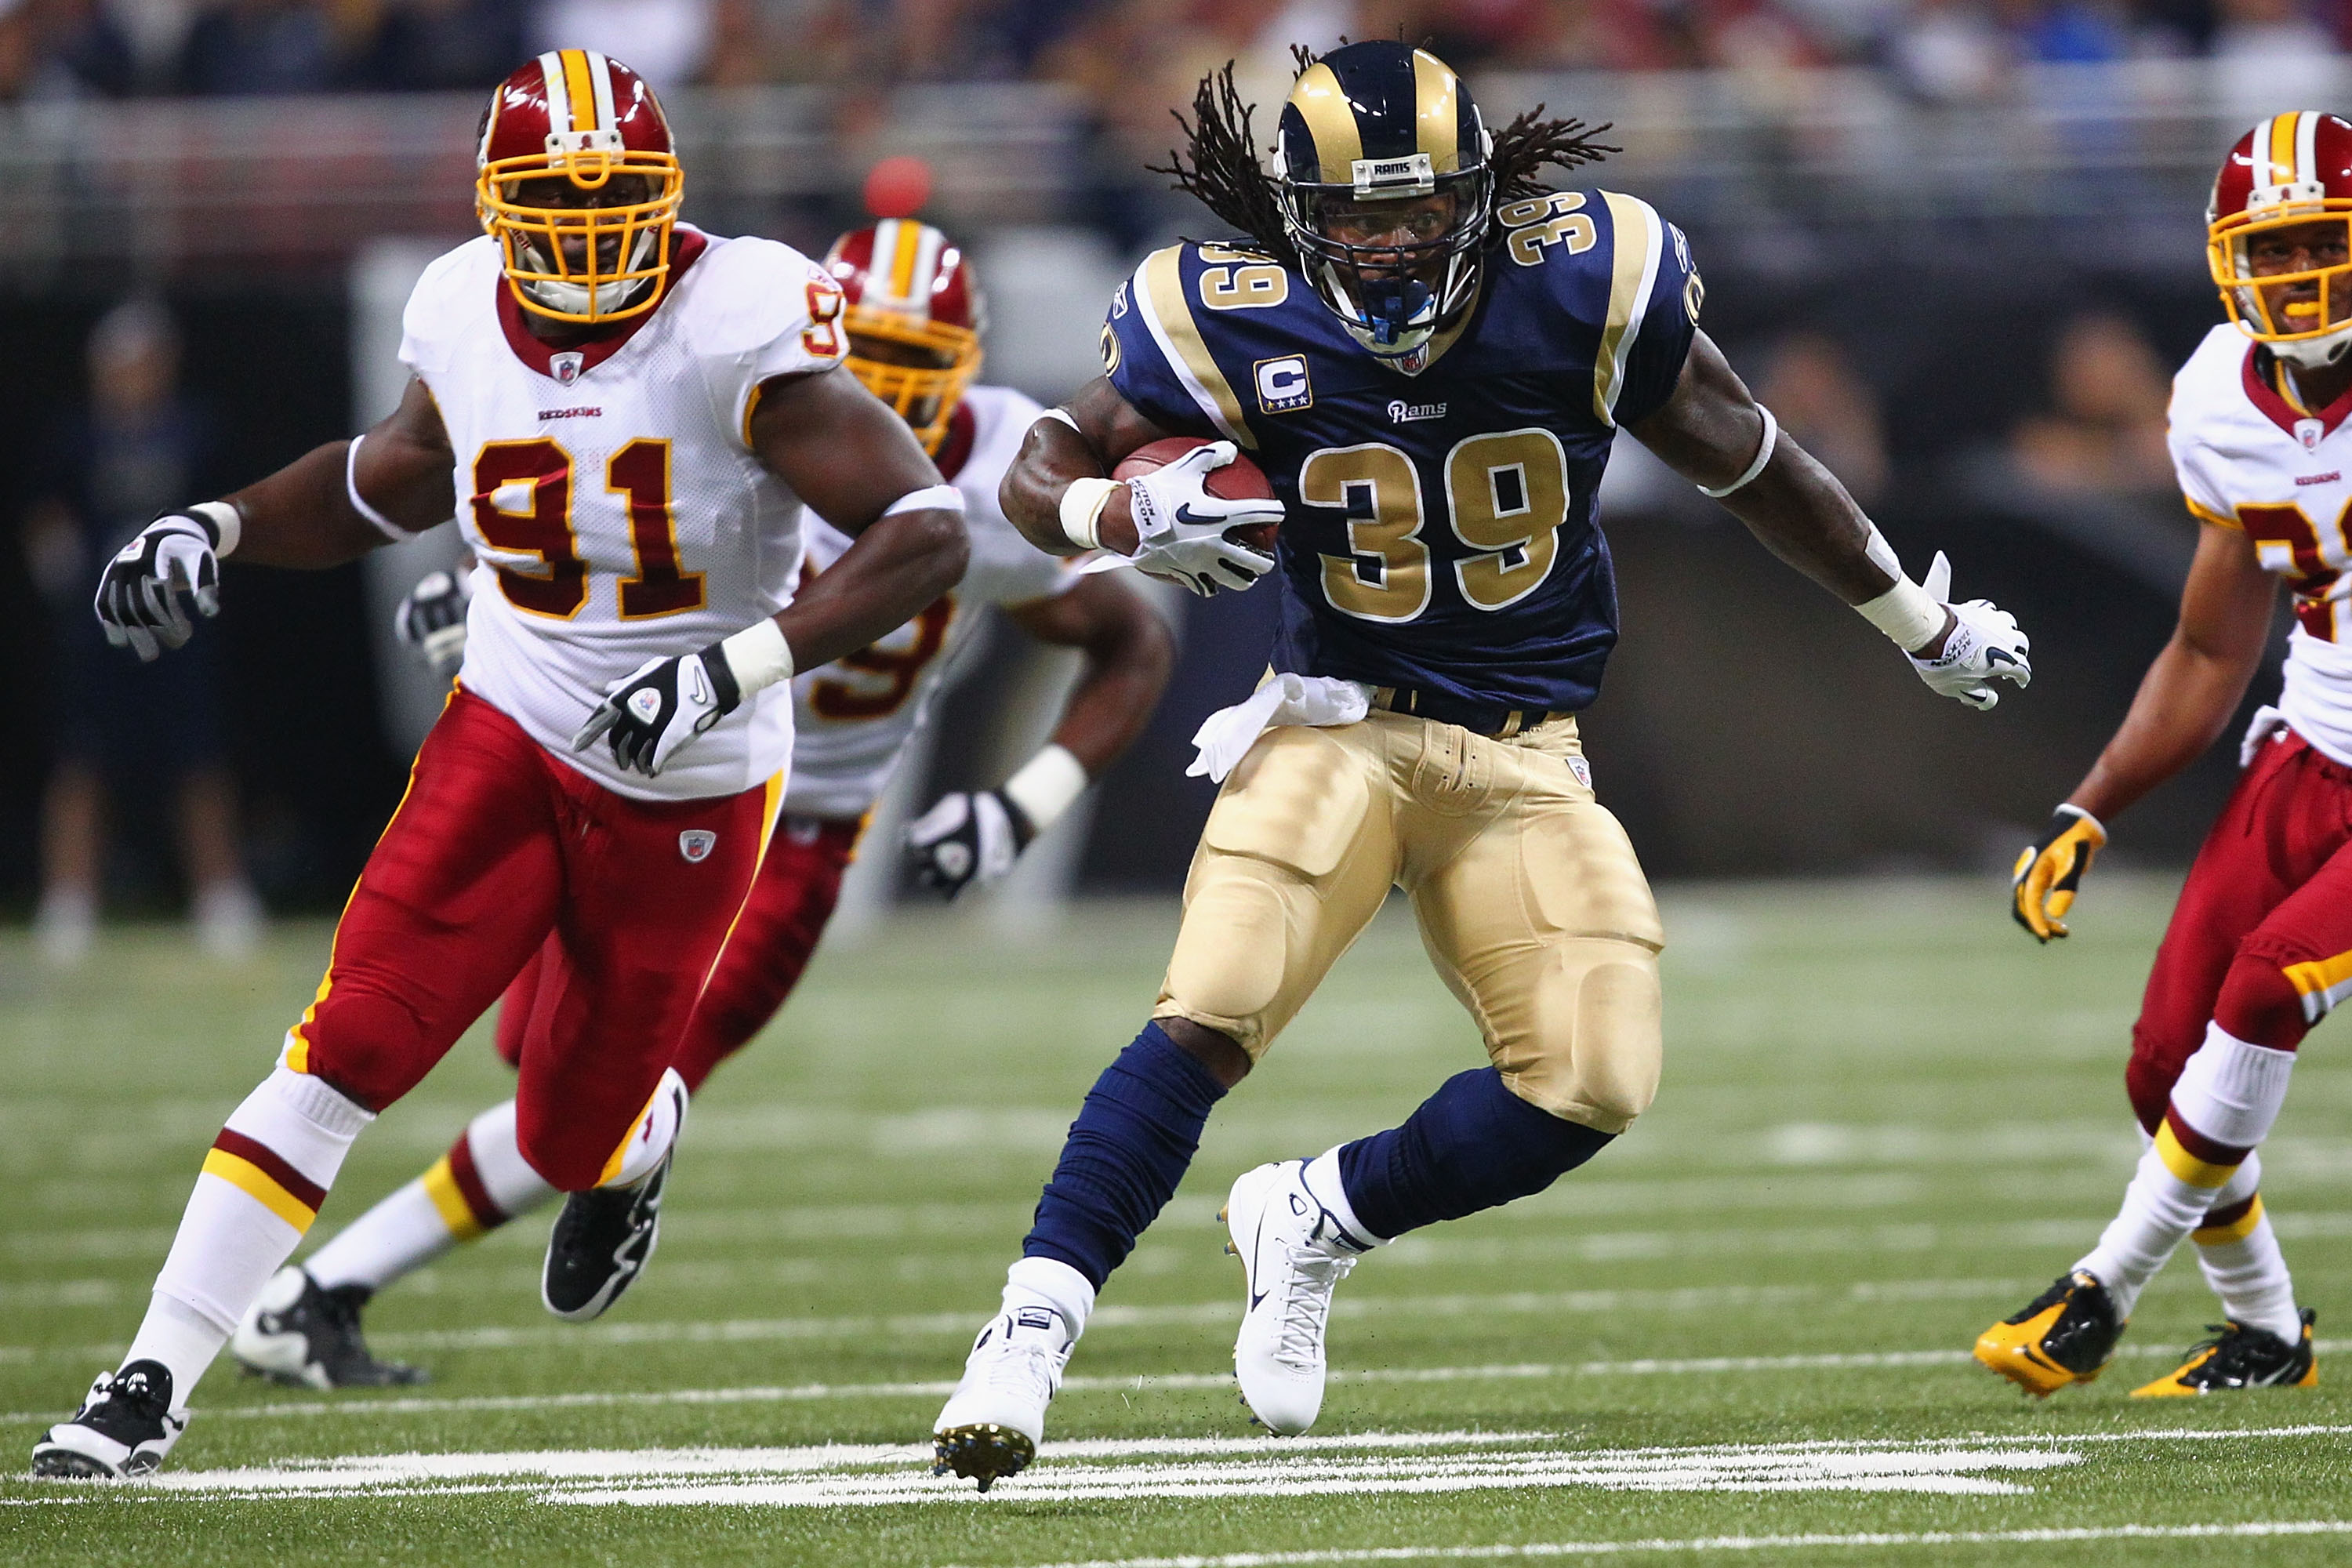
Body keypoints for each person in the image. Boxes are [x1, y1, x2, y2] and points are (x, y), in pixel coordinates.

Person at [927, 40, 2031, 1490]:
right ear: (1297, 216)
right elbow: (1046, 459)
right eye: (1357, 219)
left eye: (1418, 213)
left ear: (1482, 196)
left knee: (1592, 1077)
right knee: (1215, 1001)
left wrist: (1919, 621)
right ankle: (1024, 1339)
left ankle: (1316, 1216)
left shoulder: (1586, 282)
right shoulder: (1217, 308)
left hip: (1528, 749)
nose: (1388, 249)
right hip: (1336, 716)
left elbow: (1755, 462)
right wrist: (1109, 526)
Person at [31, 49, 967, 1479]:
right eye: (555, 201)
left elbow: (927, 530)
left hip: (695, 780)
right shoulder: (459, 303)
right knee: (349, 1044)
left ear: (668, 198)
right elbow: (389, 474)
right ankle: (149, 1379)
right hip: (515, 726)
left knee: (571, 1125)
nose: (589, 233)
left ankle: (638, 1141)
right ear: (492, 202)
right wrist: (216, 526)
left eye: (617, 201)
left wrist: (735, 663)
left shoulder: (740, 318)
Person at [225, 220, 1174, 1388]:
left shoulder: (985, 485)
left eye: (917, 371)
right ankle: (325, 1290)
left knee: (612, 1092)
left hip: (788, 829)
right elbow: (580, 503)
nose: (882, 395)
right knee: (537, 1062)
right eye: (864, 361)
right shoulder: (742, 408)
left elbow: (1128, 639)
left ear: (963, 373)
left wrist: (1021, 805)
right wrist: (475, 591)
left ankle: (324, 1289)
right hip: (615, 780)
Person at [1980, 111, 2349, 1400]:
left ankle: (2103, 1287)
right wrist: (2089, 807)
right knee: (2163, 1060)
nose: (2301, 278)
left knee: (2262, 992)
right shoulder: (2212, 399)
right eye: (2275, 248)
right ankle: (2266, 1332)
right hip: (2310, 749)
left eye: (2324, 245)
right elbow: (2206, 650)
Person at [25, 296, 263, 964]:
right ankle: (69, 899)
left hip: (183, 625)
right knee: (83, 762)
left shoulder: (195, 430)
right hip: (99, 628)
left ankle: (221, 893)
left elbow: (231, 516)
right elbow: (46, 513)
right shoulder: (76, 437)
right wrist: (65, 571)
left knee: (199, 759)